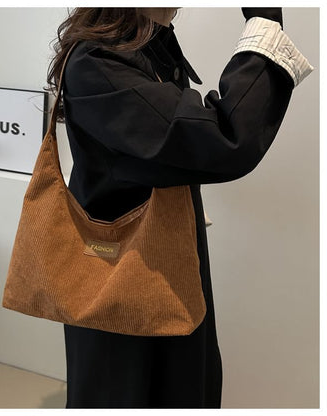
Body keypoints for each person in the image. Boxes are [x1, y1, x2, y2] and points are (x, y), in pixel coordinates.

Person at [46, 7, 313, 408]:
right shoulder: (97, 61)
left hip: (164, 261)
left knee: (179, 382)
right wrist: (264, 23)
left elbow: (167, 150)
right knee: (130, 392)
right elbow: (223, 140)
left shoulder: (146, 44)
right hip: (118, 279)